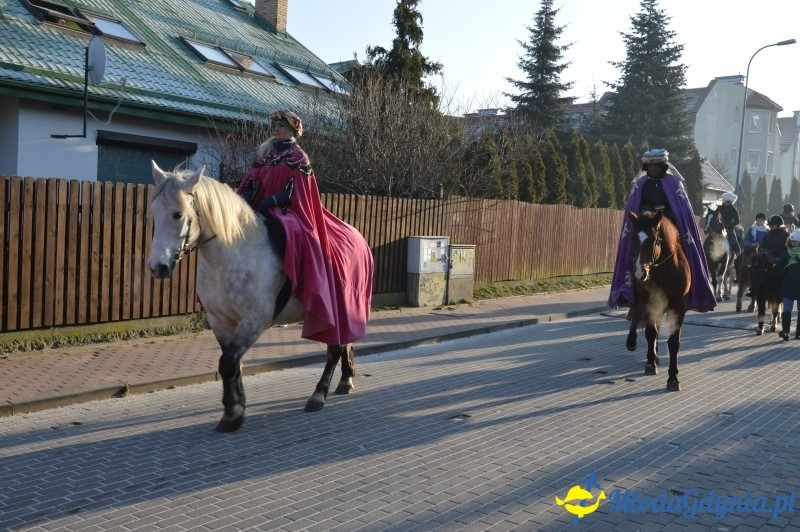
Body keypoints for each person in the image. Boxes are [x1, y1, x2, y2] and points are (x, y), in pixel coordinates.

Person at [236, 109, 373, 345]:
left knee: (297, 233)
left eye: (281, 125)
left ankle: (299, 288)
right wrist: (247, 195)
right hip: (258, 207)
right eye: (275, 124)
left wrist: (269, 202)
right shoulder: (264, 154)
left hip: (288, 209)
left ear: (293, 130)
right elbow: (251, 179)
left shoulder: (299, 157)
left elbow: (293, 191)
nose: (276, 128)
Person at [609, 148, 716, 312]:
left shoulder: (674, 184)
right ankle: (631, 291)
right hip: (646, 223)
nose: (653, 168)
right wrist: (648, 212)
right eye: (650, 166)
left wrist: (666, 213)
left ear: (663, 165)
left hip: (671, 224)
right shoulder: (640, 185)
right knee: (636, 248)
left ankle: (690, 286)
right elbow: (636, 205)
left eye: (656, 165)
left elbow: (681, 210)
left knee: (685, 249)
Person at [778, 229, 800, 340]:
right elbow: (779, 263)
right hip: (788, 284)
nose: (793, 243)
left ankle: (798, 333)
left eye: (795, 241)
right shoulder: (787, 252)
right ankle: (785, 332)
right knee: (787, 309)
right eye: (792, 241)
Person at [717, 192, 741, 257]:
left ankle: (738, 256)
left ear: (731, 202)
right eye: (726, 201)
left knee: (734, 242)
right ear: (724, 201)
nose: (727, 203)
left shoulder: (733, 209)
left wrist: (729, 225)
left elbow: (737, 221)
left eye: (729, 201)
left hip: (729, 229)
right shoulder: (719, 208)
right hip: (719, 227)